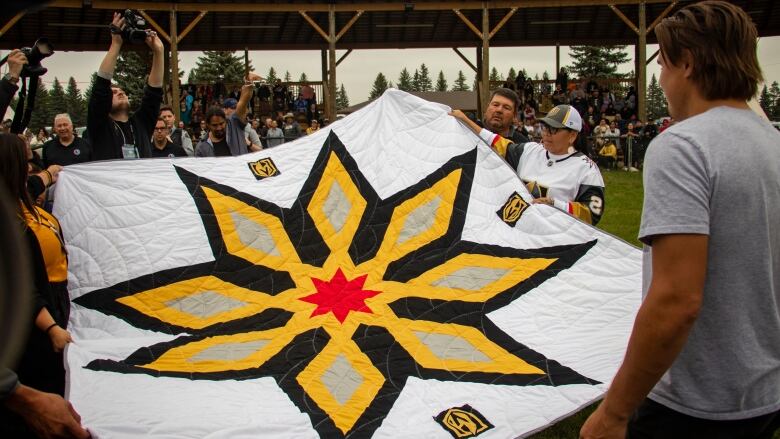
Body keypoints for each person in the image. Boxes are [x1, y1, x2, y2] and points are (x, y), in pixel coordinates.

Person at [581, 2, 780, 438]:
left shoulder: (683, 146)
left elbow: (676, 300)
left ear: (686, 64)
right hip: (763, 391)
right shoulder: (772, 141)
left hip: (695, 401)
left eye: (663, 66)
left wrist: (614, 412)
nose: (662, 80)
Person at [452, 104, 604, 225]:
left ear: (572, 135)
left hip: (554, 240)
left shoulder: (587, 169)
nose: (546, 133)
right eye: (545, 127)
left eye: (554, 129)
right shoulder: (530, 150)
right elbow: (497, 144)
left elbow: (592, 214)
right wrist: (466, 122)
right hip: (517, 232)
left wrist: (555, 204)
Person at [87, 12, 164, 160]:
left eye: (122, 90)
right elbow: (101, 88)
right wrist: (116, 44)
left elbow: (154, 93)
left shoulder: (141, 123)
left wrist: (159, 52)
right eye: (114, 92)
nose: (120, 92)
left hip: (141, 183)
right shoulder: (100, 126)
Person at [195, 76, 257, 157]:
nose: (219, 128)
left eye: (221, 124)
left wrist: (249, 83)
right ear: (208, 124)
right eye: (215, 125)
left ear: (226, 120)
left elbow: (243, 101)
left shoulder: (234, 126)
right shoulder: (201, 148)